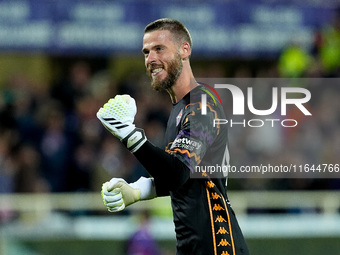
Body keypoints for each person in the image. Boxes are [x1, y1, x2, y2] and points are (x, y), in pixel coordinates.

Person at [98, 18, 249, 255]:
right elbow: (185, 178)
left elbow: (178, 171)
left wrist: (129, 134)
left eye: (159, 49)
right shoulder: (181, 109)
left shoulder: (202, 105)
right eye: (146, 52)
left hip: (218, 248)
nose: (151, 59)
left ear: (184, 50)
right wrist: (139, 190)